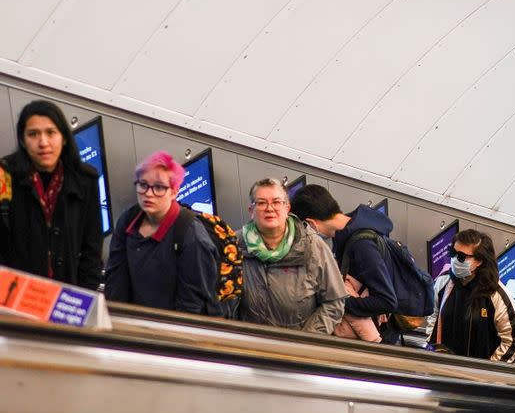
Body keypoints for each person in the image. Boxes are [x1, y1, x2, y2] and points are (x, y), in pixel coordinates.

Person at [0, 100, 102, 289]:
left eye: (50, 132)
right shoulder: (4, 175)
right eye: (33, 134)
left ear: (63, 137)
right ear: (22, 140)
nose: (43, 143)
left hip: (66, 300)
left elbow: (92, 251)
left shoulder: (85, 180)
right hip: (16, 299)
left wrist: (81, 297)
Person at [105, 151, 222, 315]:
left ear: (174, 192)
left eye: (159, 187)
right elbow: (115, 281)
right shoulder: (128, 220)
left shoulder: (190, 233)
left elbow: (192, 305)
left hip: (176, 330)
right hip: (134, 326)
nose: (149, 193)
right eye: (143, 184)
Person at [290, 184, 398, 341]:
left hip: (378, 342)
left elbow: (387, 301)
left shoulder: (362, 245)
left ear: (311, 223)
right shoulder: (345, 238)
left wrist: (337, 301)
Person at [238, 178, 346, 334]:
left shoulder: (312, 245)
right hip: (250, 349)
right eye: (261, 203)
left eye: (276, 202)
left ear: (287, 208)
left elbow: (334, 302)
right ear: (251, 211)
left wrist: (305, 340)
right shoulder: (235, 245)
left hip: (299, 350)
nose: (269, 208)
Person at [426, 229, 515, 362]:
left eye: (461, 256)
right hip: (444, 367)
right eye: (452, 253)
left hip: (478, 375)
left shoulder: (495, 294)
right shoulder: (443, 282)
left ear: (479, 261)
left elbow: (513, 341)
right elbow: (433, 315)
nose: (454, 260)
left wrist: (490, 371)